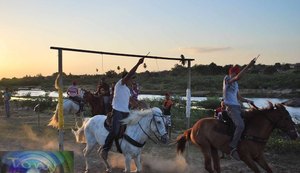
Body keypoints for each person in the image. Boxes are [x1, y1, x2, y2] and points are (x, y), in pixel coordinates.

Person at [100, 57, 145, 160]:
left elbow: (132, 101)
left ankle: (129, 148)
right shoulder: (120, 84)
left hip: (126, 112)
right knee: (115, 131)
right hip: (118, 112)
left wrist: (140, 104)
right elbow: (129, 74)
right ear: (127, 78)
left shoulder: (127, 90)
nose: (132, 81)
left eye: (133, 79)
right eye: (131, 78)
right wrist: (138, 64)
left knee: (133, 128)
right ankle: (105, 149)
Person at [223, 58, 256, 160]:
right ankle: (232, 147)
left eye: (236, 73)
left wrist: (248, 101)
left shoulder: (236, 84)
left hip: (238, 107)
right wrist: (249, 66)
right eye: (234, 73)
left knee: (253, 117)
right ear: (231, 73)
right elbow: (237, 78)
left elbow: (239, 97)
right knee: (240, 125)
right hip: (231, 108)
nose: (235, 74)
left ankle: (245, 141)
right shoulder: (227, 79)